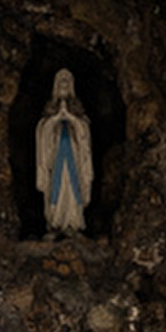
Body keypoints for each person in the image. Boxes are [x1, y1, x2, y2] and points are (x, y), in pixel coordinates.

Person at [35, 68, 94, 235]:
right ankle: (56, 221)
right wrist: (55, 119)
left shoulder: (77, 108)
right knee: (56, 186)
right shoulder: (50, 108)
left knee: (72, 185)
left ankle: (73, 223)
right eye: (61, 82)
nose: (64, 85)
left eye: (67, 83)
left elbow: (84, 132)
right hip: (56, 154)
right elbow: (42, 131)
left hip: (74, 155)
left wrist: (71, 119)